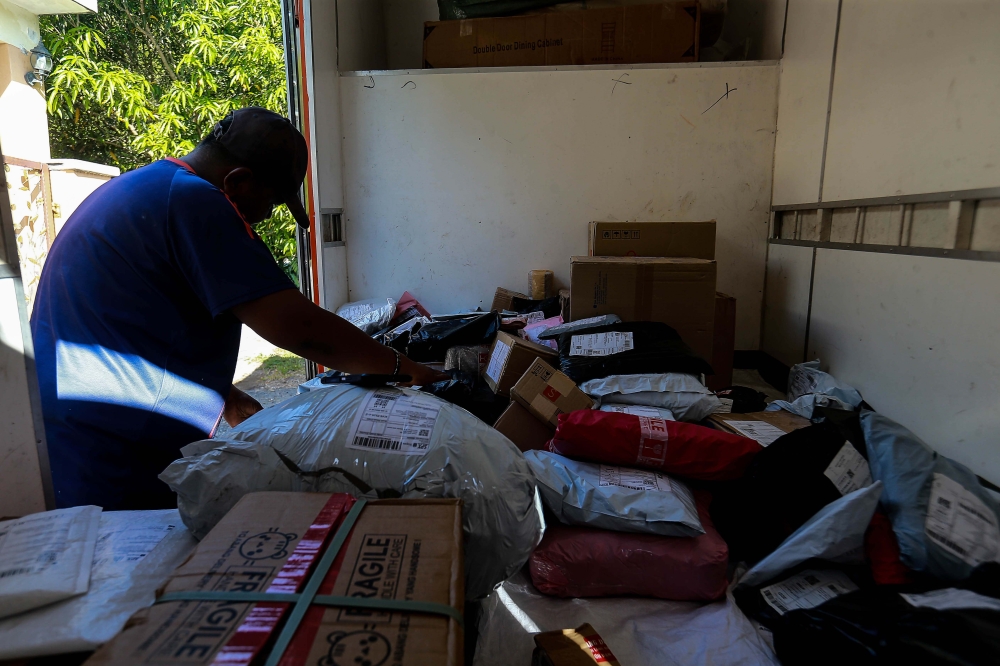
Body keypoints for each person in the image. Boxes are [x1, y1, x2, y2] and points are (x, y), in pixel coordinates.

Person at [30, 107, 446, 510]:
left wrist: (222, 393)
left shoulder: (143, 188)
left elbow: (129, 324)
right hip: (117, 446)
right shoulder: (197, 203)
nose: (264, 217)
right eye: (271, 204)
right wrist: (405, 367)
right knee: (135, 565)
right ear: (239, 182)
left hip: (74, 430)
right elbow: (299, 328)